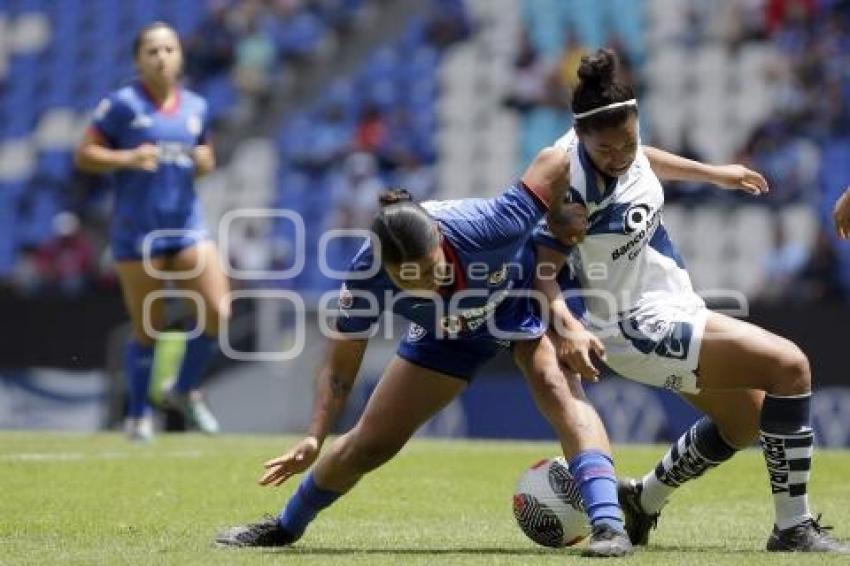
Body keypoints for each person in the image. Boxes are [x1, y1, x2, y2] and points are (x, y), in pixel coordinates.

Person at [215, 146, 634, 557]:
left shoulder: (490, 224)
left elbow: (556, 159)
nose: (430, 285)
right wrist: (313, 435)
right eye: (410, 281)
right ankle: (284, 527)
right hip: (449, 330)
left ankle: (609, 527)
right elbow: (339, 370)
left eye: (434, 270)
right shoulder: (365, 277)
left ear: (439, 237)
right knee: (371, 444)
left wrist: (566, 210)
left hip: (525, 299)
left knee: (555, 384)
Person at [534, 49, 848, 553]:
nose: (619, 156)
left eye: (628, 142)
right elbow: (542, 272)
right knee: (791, 367)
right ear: (581, 139)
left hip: (674, 305)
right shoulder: (568, 188)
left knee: (744, 421)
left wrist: (715, 173)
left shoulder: (622, 147)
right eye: (606, 149)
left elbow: (643, 160)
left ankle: (642, 500)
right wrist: (567, 325)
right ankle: (793, 528)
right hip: (635, 326)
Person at [75, 22, 229, 441]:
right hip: (137, 229)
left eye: (169, 49)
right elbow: (85, 154)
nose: (162, 58)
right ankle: (139, 415)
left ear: (180, 55)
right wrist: (125, 158)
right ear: (138, 60)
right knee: (149, 325)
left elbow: (206, 156)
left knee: (219, 310)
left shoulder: (196, 106)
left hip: (186, 226)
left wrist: (204, 161)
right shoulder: (122, 105)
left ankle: (182, 390)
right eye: (152, 51)